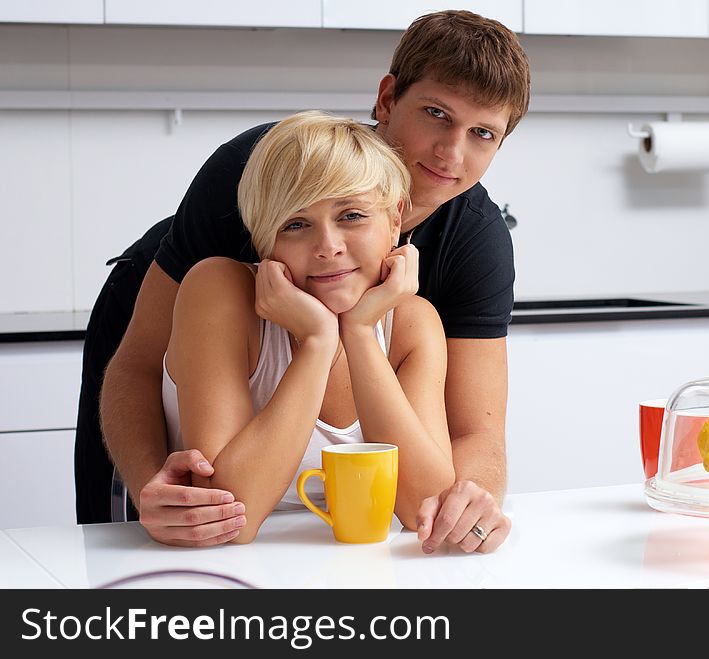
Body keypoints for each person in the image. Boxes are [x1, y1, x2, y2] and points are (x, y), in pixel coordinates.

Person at [76, 9, 530, 553]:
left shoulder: (471, 244)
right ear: (387, 100)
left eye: (483, 133)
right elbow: (138, 364)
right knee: (148, 529)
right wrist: (151, 484)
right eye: (436, 114)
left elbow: (475, 431)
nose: (451, 153)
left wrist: (466, 505)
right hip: (167, 318)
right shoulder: (261, 171)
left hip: (332, 361)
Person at [162, 112, 455, 542]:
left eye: (352, 215)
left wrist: (357, 333)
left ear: (395, 220)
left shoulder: (412, 322)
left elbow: (426, 510)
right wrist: (319, 341)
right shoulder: (218, 291)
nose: (328, 248)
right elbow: (228, 515)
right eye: (295, 224)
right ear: (265, 240)